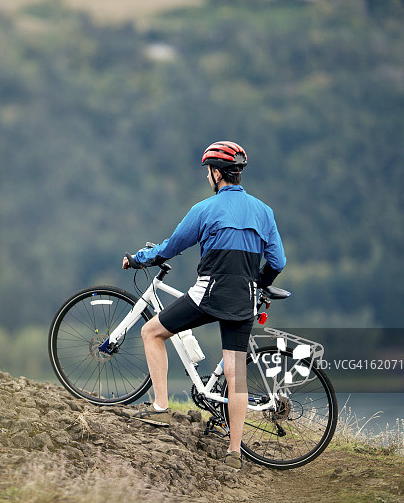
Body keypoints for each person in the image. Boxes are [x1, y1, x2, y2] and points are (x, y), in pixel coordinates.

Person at [122, 141, 286, 470]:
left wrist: (137, 259)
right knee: (236, 373)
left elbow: (168, 249)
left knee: (151, 332)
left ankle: (160, 406)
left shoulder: (204, 210)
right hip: (244, 298)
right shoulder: (264, 211)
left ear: (215, 173)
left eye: (207, 172)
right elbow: (278, 261)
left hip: (209, 295)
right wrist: (260, 283)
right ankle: (234, 453)